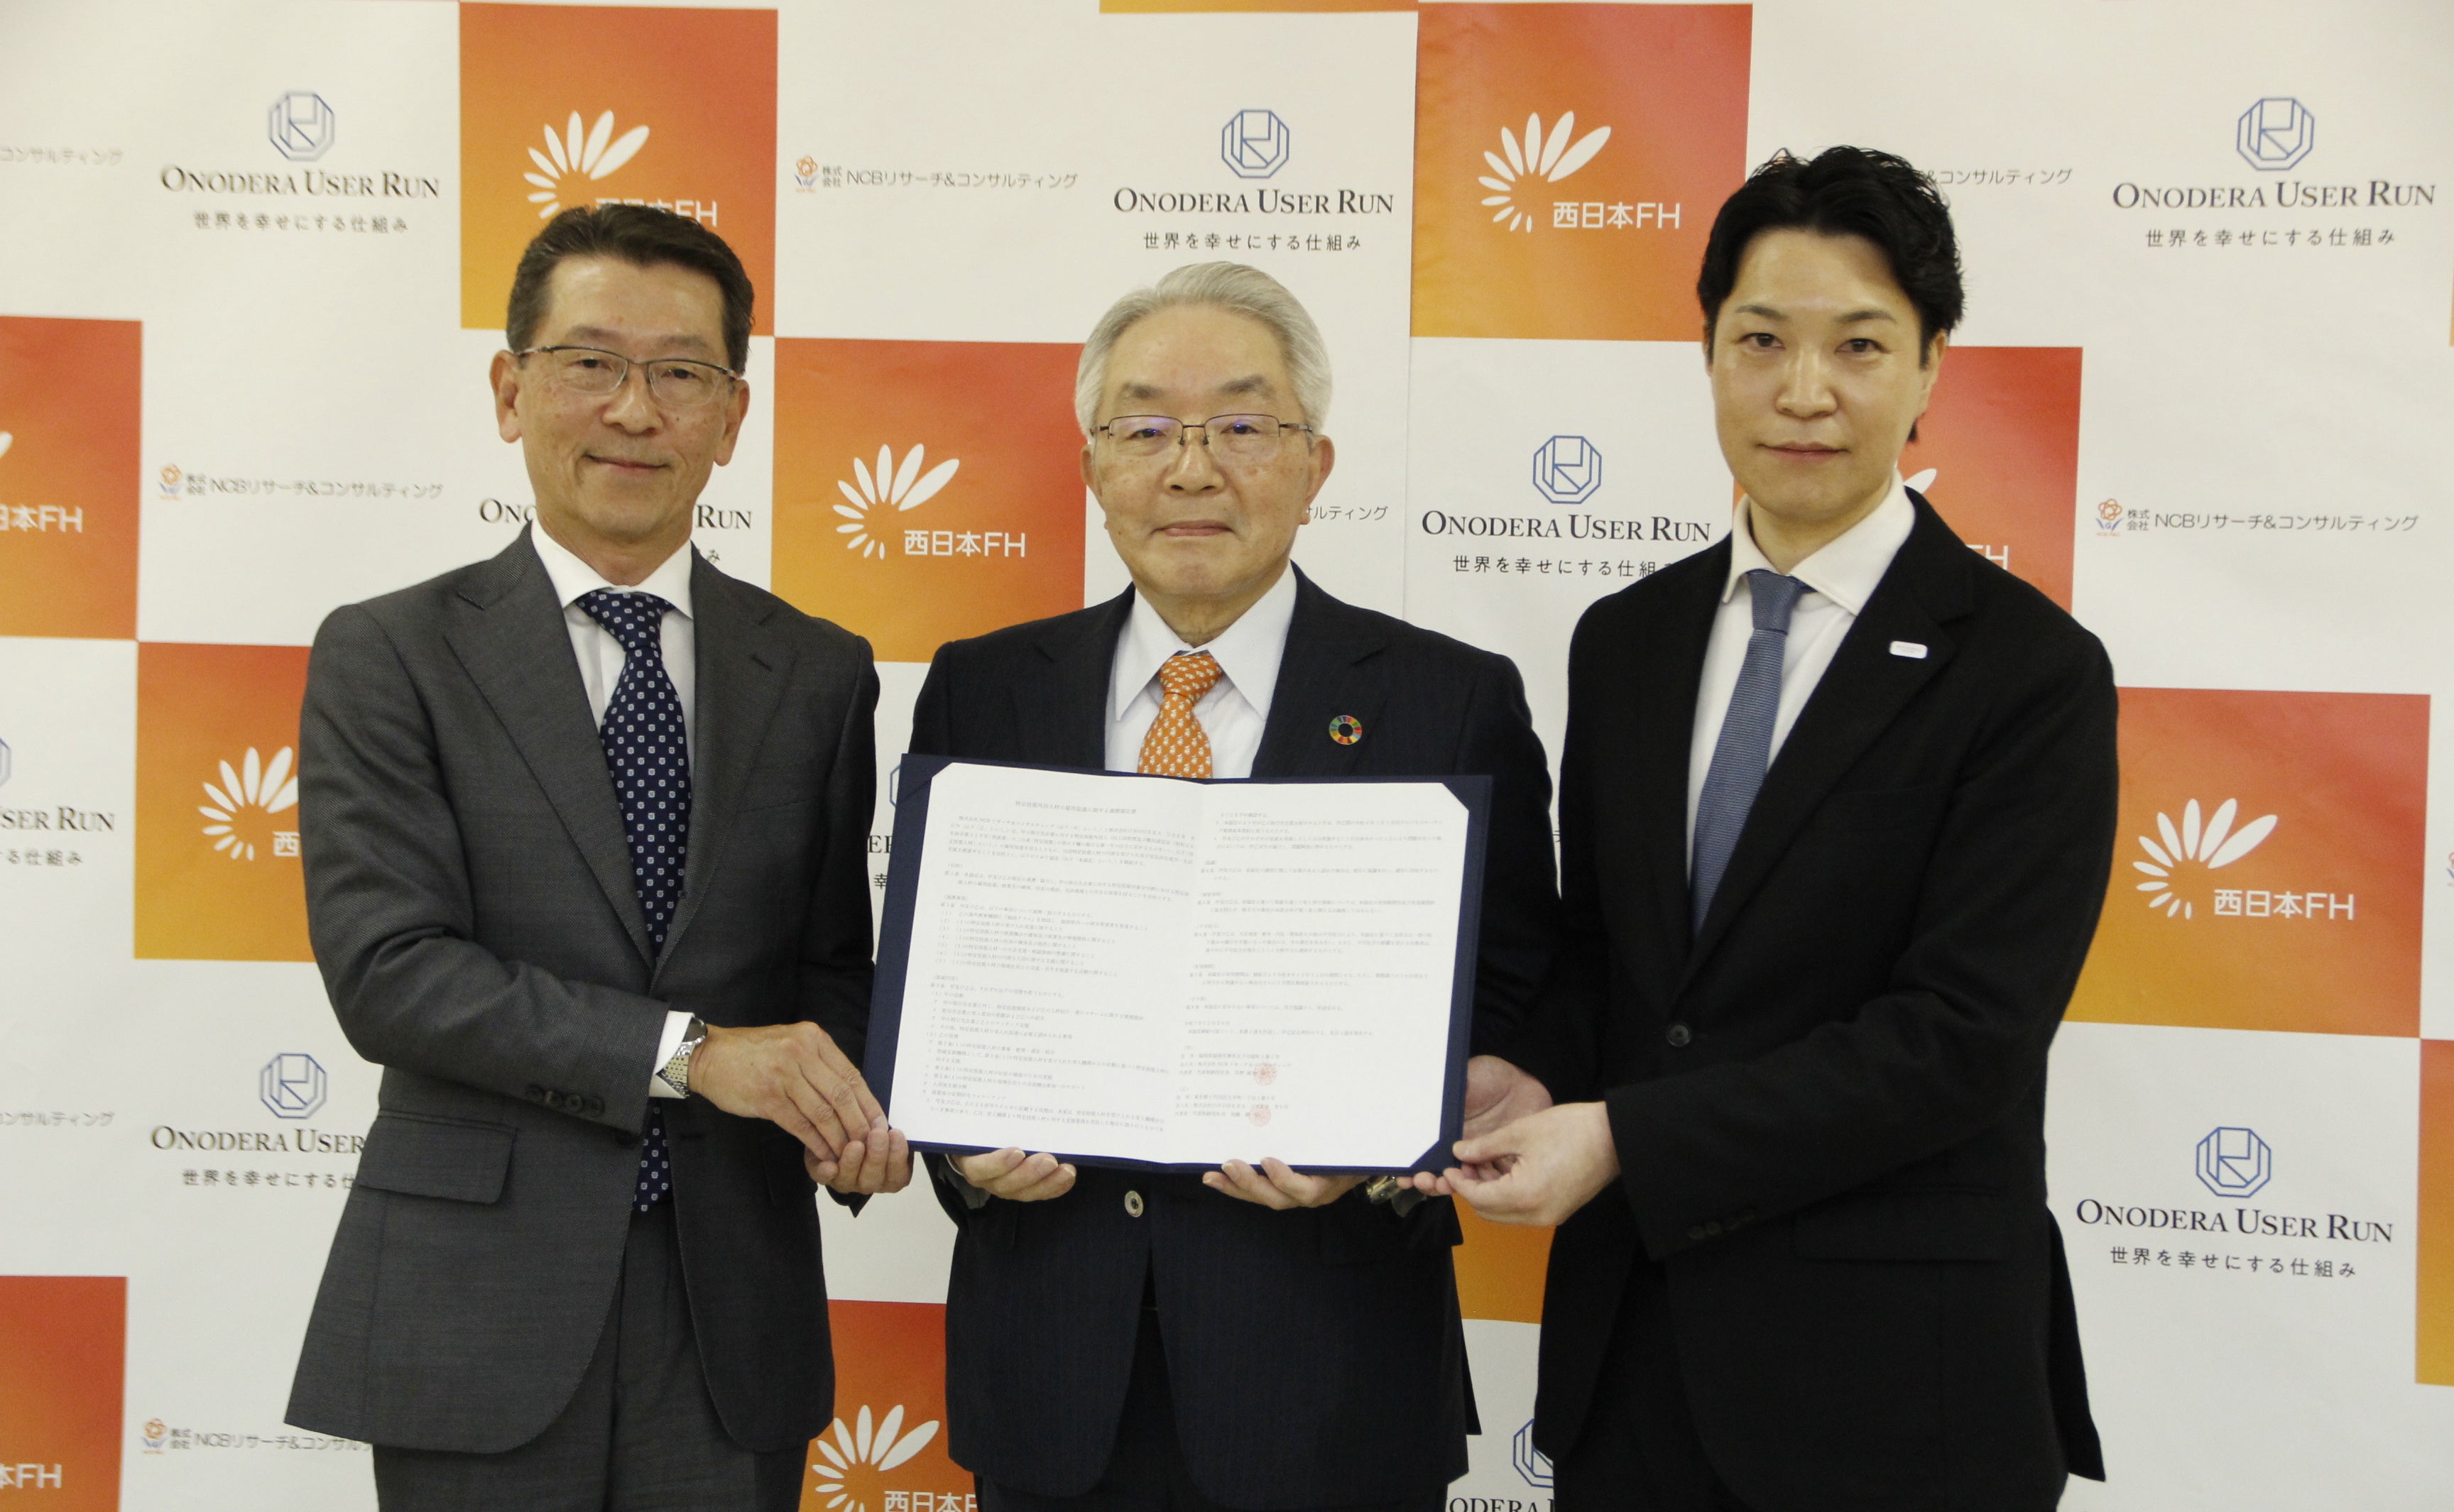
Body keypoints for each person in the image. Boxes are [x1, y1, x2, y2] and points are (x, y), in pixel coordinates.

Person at [1433, 148, 2117, 1511]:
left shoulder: (2029, 672)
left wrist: (1629, 1139)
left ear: (1929, 369)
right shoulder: (1626, 640)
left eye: (1859, 345)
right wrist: (1526, 1072)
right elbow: (1612, 955)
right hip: (1634, 1367)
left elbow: (1966, 1038)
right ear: (1708, 356)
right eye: (1761, 341)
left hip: (1899, 1392)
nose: (1805, 391)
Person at [284, 203, 910, 1511]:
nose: (635, 409)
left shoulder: (816, 671)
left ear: (732, 418)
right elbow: (392, 974)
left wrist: (856, 1115)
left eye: (681, 372)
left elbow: (826, 969)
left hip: (731, 1308)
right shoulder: (389, 653)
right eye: (590, 363)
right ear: (511, 392)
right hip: (478, 1303)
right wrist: (691, 1053)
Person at [907, 261, 1558, 1512]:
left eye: (1244, 427)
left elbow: (1522, 992)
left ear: (1316, 466)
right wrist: (957, 1145)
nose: (1192, 469)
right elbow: (937, 979)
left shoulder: (1449, 700)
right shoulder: (984, 690)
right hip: (1052, 1369)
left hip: (1335, 1371)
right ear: (1093, 467)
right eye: (1146, 429)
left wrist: (1384, 1146)